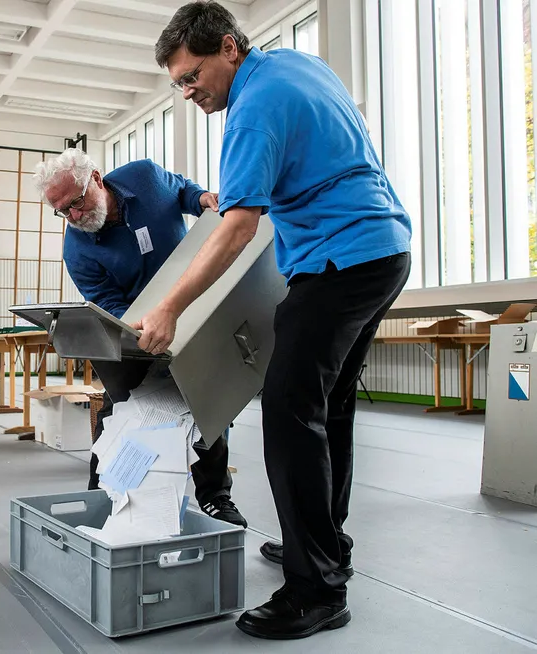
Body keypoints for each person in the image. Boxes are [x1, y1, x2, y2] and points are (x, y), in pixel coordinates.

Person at [141, 2, 412, 639]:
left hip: (340, 262)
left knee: (290, 409)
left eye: (193, 76)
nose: (190, 92)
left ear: (229, 47)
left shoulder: (253, 109)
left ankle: (316, 588)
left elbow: (237, 225)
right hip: (385, 249)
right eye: (179, 84)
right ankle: (326, 543)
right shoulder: (298, 66)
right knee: (329, 405)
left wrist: (170, 308)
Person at [32, 148, 247, 529]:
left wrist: (200, 200)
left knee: (206, 403)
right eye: (62, 211)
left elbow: (180, 190)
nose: (75, 217)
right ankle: (101, 493)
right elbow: (106, 302)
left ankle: (216, 497)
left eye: (77, 203)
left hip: (197, 305)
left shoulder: (144, 178)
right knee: (120, 409)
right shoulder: (77, 250)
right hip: (138, 331)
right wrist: (140, 329)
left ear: (96, 178)